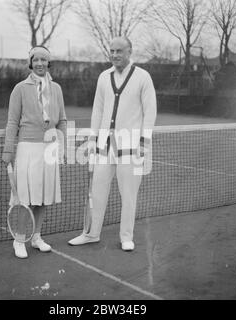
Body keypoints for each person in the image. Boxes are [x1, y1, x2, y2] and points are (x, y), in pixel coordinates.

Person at [68, 37, 157, 251]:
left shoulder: (143, 77)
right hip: (104, 148)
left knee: (129, 195)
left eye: (119, 50)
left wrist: (144, 143)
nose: (115, 54)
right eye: (112, 50)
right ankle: (90, 233)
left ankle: (126, 237)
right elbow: (98, 109)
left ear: (129, 51)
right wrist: (93, 138)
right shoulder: (103, 77)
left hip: (131, 148)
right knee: (96, 191)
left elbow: (150, 111)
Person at [2, 46, 67, 258]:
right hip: (27, 149)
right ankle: (19, 239)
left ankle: (37, 236)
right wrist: (7, 150)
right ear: (31, 63)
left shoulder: (56, 88)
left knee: (44, 195)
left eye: (44, 60)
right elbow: (12, 122)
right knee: (25, 197)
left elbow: (63, 120)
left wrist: (62, 145)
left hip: (49, 148)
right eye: (36, 59)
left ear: (49, 63)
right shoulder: (20, 88)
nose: (40, 63)